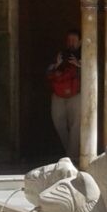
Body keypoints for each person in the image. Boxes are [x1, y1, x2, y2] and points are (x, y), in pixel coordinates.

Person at [47, 29, 81, 162]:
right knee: (59, 123)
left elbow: (93, 75)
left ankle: (71, 158)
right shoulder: (59, 54)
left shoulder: (86, 53)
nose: (71, 43)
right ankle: (71, 153)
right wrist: (57, 65)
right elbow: (48, 73)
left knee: (76, 125)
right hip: (58, 94)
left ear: (80, 42)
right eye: (69, 40)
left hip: (77, 94)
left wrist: (79, 65)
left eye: (74, 40)